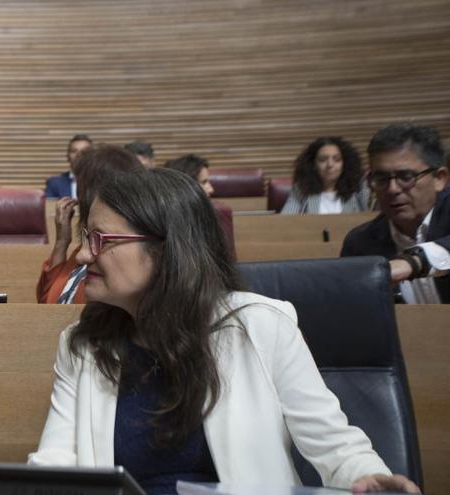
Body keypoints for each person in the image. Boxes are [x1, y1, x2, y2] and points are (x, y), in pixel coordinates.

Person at [28, 167, 420, 494]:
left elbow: (332, 442)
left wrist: (366, 476)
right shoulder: (82, 345)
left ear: (167, 250)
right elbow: (58, 459)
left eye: (101, 240)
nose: (82, 255)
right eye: (85, 238)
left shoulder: (263, 325)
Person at [341, 123, 449, 304]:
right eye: (381, 179)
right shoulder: (360, 243)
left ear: (439, 179)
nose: (392, 189)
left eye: (406, 177)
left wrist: (413, 262)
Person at [37, 145, 141, 304]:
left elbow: (50, 303)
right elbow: (48, 304)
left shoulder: (108, 256)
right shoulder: (87, 246)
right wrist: (61, 242)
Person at [281, 137, 370, 214]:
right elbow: (285, 221)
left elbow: (370, 218)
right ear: (313, 165)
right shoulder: (301, 189)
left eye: (337, 159)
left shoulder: (358, 187)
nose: (330, 164)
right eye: (323, 160)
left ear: (345, 164)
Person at [45, 134, 93, 199]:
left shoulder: (102, 183)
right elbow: (49, 208)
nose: (79, 155)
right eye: (74, 151)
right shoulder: (54, 184)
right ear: (67, 156)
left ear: (93, 156)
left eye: (84, 151)